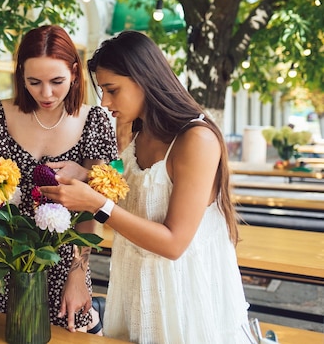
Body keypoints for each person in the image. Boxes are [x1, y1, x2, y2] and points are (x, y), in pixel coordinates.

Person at [40, 31, 251, 343]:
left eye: (112, 90)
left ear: (144, 79)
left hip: (183, 297)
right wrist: (85, 176)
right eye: (102, 91)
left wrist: (97, 205)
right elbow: (135, 199)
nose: (105, 103)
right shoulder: (139, 132)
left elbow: (173, 243)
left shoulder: (197, 139)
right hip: (139, 286)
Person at [0, 25, 118, 333]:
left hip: (68, 260)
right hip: (10, 259)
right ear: (20, 75)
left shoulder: (95, 119)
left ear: (75, 74)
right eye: (34, 82)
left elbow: (92, 207)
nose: (46, 93)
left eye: (57, 81)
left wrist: (79, 274)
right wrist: (4, 262)